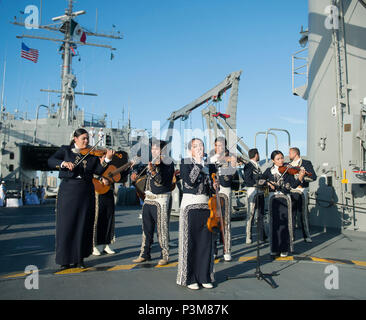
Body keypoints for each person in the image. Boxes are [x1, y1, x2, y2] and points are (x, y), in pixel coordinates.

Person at [48, 128, 114, 270]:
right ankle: (64, 260)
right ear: (75, 138)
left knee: (83, 225)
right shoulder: (65, 150)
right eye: (83, 138)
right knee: (66, 225)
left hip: (86, 191)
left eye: (87, 139)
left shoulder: (91, 154)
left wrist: (107, 159)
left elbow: (98, 171)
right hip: (68, 191)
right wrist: (63, 164)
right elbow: (51, 160)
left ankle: (79, 258)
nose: (86, 141)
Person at [176, 138, 216, 290]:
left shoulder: (210, 164)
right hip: (190, 205)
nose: (199, 148)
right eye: (195, 146)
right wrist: (199, 164)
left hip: (206, 205)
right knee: (190, 242)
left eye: (201, 145)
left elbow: (213, 186)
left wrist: (214, 182)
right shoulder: (185, 162)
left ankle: (204, 276)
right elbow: (190, 181)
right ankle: (190, 277)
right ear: (190, 150)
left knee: (206, 242)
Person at [131, 139, 175, 266]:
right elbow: (140, 170)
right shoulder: (151, 162)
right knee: (146, 229)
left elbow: (161, 181)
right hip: (148, 199)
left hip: (161, 199)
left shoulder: (168, 163)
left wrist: (154, 171)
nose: (154, 152)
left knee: (162, 229)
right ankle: (145, 254)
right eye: (153, 149)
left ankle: (165, 255)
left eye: (157, 150)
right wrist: (134, 173)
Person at [261, 150, 305, 258]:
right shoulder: (268, 171)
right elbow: (260, 180)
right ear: (273, 160)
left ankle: (284, 248)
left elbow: (293, 185)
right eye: (278, 159)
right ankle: (274, 248)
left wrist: (300, 177)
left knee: (285, 224)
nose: (281, 161)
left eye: (282, 158)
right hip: (273, 199)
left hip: (285, 199)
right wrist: (267, 183)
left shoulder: (288, 170)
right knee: (274, 224)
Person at [209, 137, 236, 262]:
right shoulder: (211, 156)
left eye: (220, 145)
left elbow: (230, 175)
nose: (218, 148)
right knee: (213, 221)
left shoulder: (231, 157)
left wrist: (226, 161)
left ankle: (227, 250)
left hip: (225, 191)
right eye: (216, 145)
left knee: (226, 222)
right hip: (213, 192)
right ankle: (213, 250)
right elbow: (208, 172)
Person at [288, 147, 317, 243]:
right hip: (292, 191)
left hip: (302, 191)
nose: (289, 155)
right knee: (291, 214)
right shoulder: (288, 165)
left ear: (295, 153)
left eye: (290, 153)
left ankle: (306, 235)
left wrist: (302, 177)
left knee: (303, 214)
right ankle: (291, 236)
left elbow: (313, 177)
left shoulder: (306, 163)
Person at [243, 148, 267, 244]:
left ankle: (262, 236)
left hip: (260, 192)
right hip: (252, 192)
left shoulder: (257, 166)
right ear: (256, 155)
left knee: (261, 214)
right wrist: (258, 183)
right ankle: (248, 236)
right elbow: (247, 180)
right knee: (251, 214)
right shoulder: (248, 166)